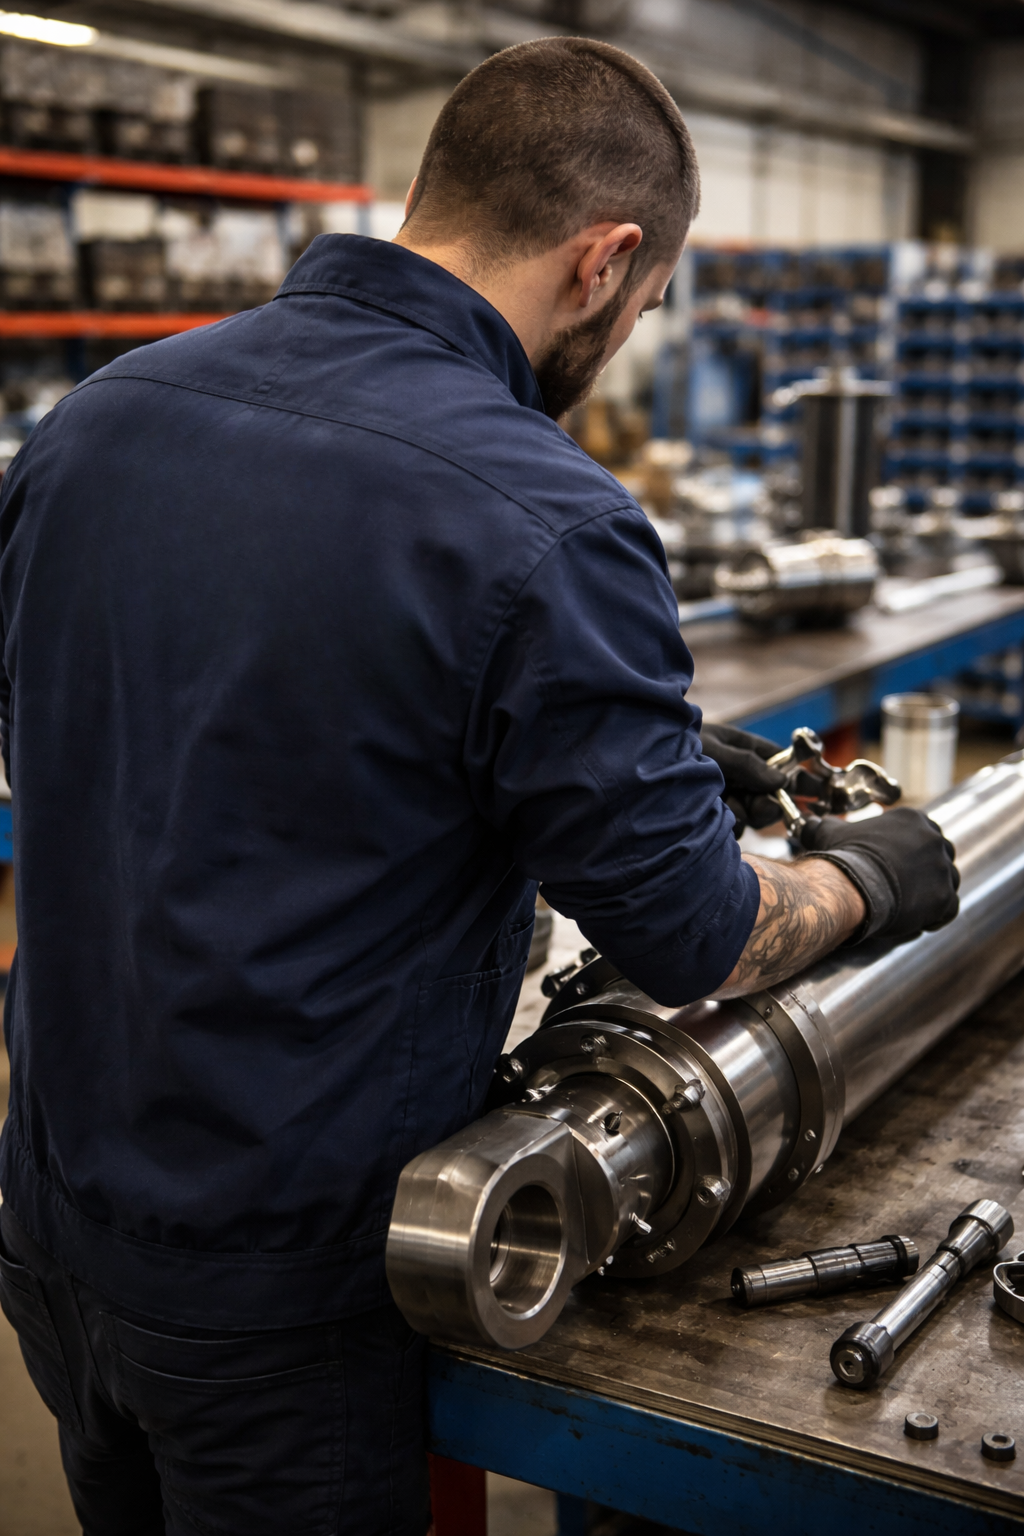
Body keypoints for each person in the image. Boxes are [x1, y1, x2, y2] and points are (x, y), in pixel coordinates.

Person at [0, 35, 958, 1536]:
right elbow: (696, 937)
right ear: (607, 261)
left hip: (55, 1229)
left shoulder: (99, 421)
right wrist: (865, 875)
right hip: (287, 1284)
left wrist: (531, 756)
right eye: (638, 312)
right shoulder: (542, 516)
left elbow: (168, 737)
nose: (621, 341)